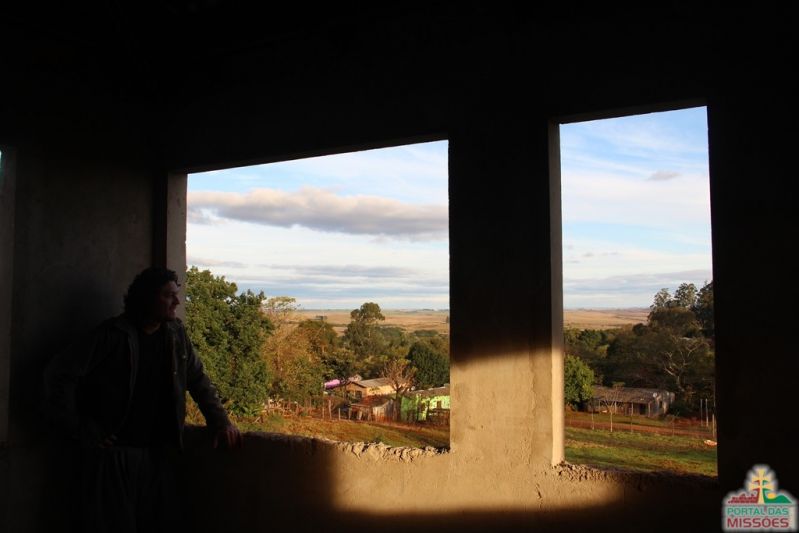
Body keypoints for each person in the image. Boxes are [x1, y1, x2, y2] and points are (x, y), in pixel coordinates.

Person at [43, 266, 241, 533]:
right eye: (168, 295)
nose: (177, 301)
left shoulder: (175, 335)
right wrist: (78, 427)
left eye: (176, 294)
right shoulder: (112, 335)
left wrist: (221, 422)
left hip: (158, 455)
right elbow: (60, 374)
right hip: (114, 458)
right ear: (147, 298)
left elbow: (197, 379)